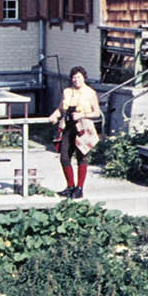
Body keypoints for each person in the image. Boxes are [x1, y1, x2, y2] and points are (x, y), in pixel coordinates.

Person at [51, 66, 102, 199]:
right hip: (68, 126)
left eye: (78, 77)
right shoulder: (67, 92)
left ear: (84, 78)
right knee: (64, 156)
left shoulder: (90, 93)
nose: (76, 80)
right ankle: (70, 186)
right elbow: (60, 108)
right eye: (73, 77)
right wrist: (54, 115)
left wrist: (82, 115)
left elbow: (96, 113)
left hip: (83, 126)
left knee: (82, 156)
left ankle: (79, 188)